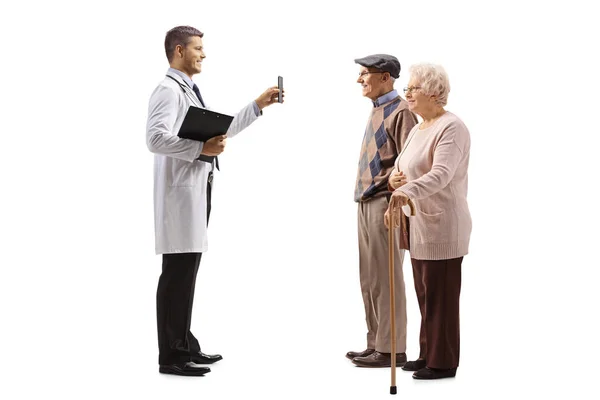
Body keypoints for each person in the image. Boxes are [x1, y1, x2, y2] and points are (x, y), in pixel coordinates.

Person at [146, 25, 282, 377]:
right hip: (180, 196)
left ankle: (184, 344)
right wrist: (199, 149)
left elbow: (216, 132)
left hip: (195, 191)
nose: (203, 54)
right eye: (197, 48)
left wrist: (258, 105)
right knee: (177, 274)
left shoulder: (188, 90)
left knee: (187, 272)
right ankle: (172, 356)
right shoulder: (167, 90)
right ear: (178, 51)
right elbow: (155, 139)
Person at [385, 63, 472, 380]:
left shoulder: (452, 127)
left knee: (441, 295)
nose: (406, 93)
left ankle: (444, 360)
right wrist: (396, 179)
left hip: (443, 223)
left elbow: (441, 175)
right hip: (417, 223)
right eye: (407, 88)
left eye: (413, 88)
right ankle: (428, 352)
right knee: (425, 292)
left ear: (434, 93)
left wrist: (405, 189)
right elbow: (404, 169)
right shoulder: (418, 129)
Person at [346, 54, 419, 368]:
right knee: (370, 277)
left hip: (385, 203)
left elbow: (411, 162)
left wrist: (397, 197)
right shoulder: (378, 110)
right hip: (366, 201)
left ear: (386, 77)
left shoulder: (402, 112)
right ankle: (376, 342)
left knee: (386, 276)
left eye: (365, 73)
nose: (360, 79)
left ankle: (392, 349)